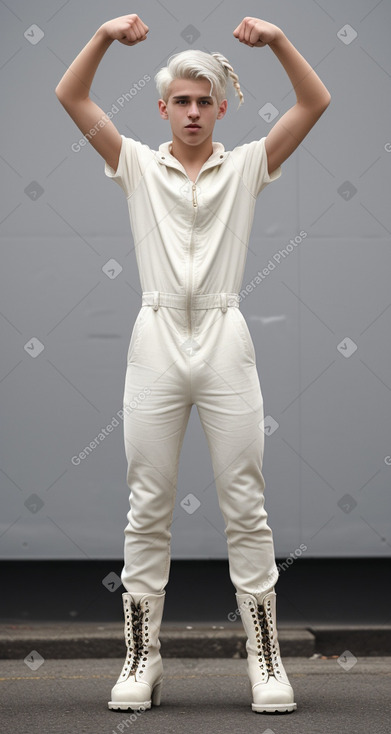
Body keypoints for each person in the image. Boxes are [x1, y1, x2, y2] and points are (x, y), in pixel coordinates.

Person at [55, 13, 330, 715]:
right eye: (181, 100)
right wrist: (102, 36)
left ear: (221, 106)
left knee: (245, 501)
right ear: (161, 108)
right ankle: (140, 659)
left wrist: (276, 42)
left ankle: (264, 662)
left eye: (204, 100)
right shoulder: (136, 165)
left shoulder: (246, 167)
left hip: (223, 335)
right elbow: (71, 97)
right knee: (147, 504)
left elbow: (313, 104)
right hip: (154, 341)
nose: (192, 112)